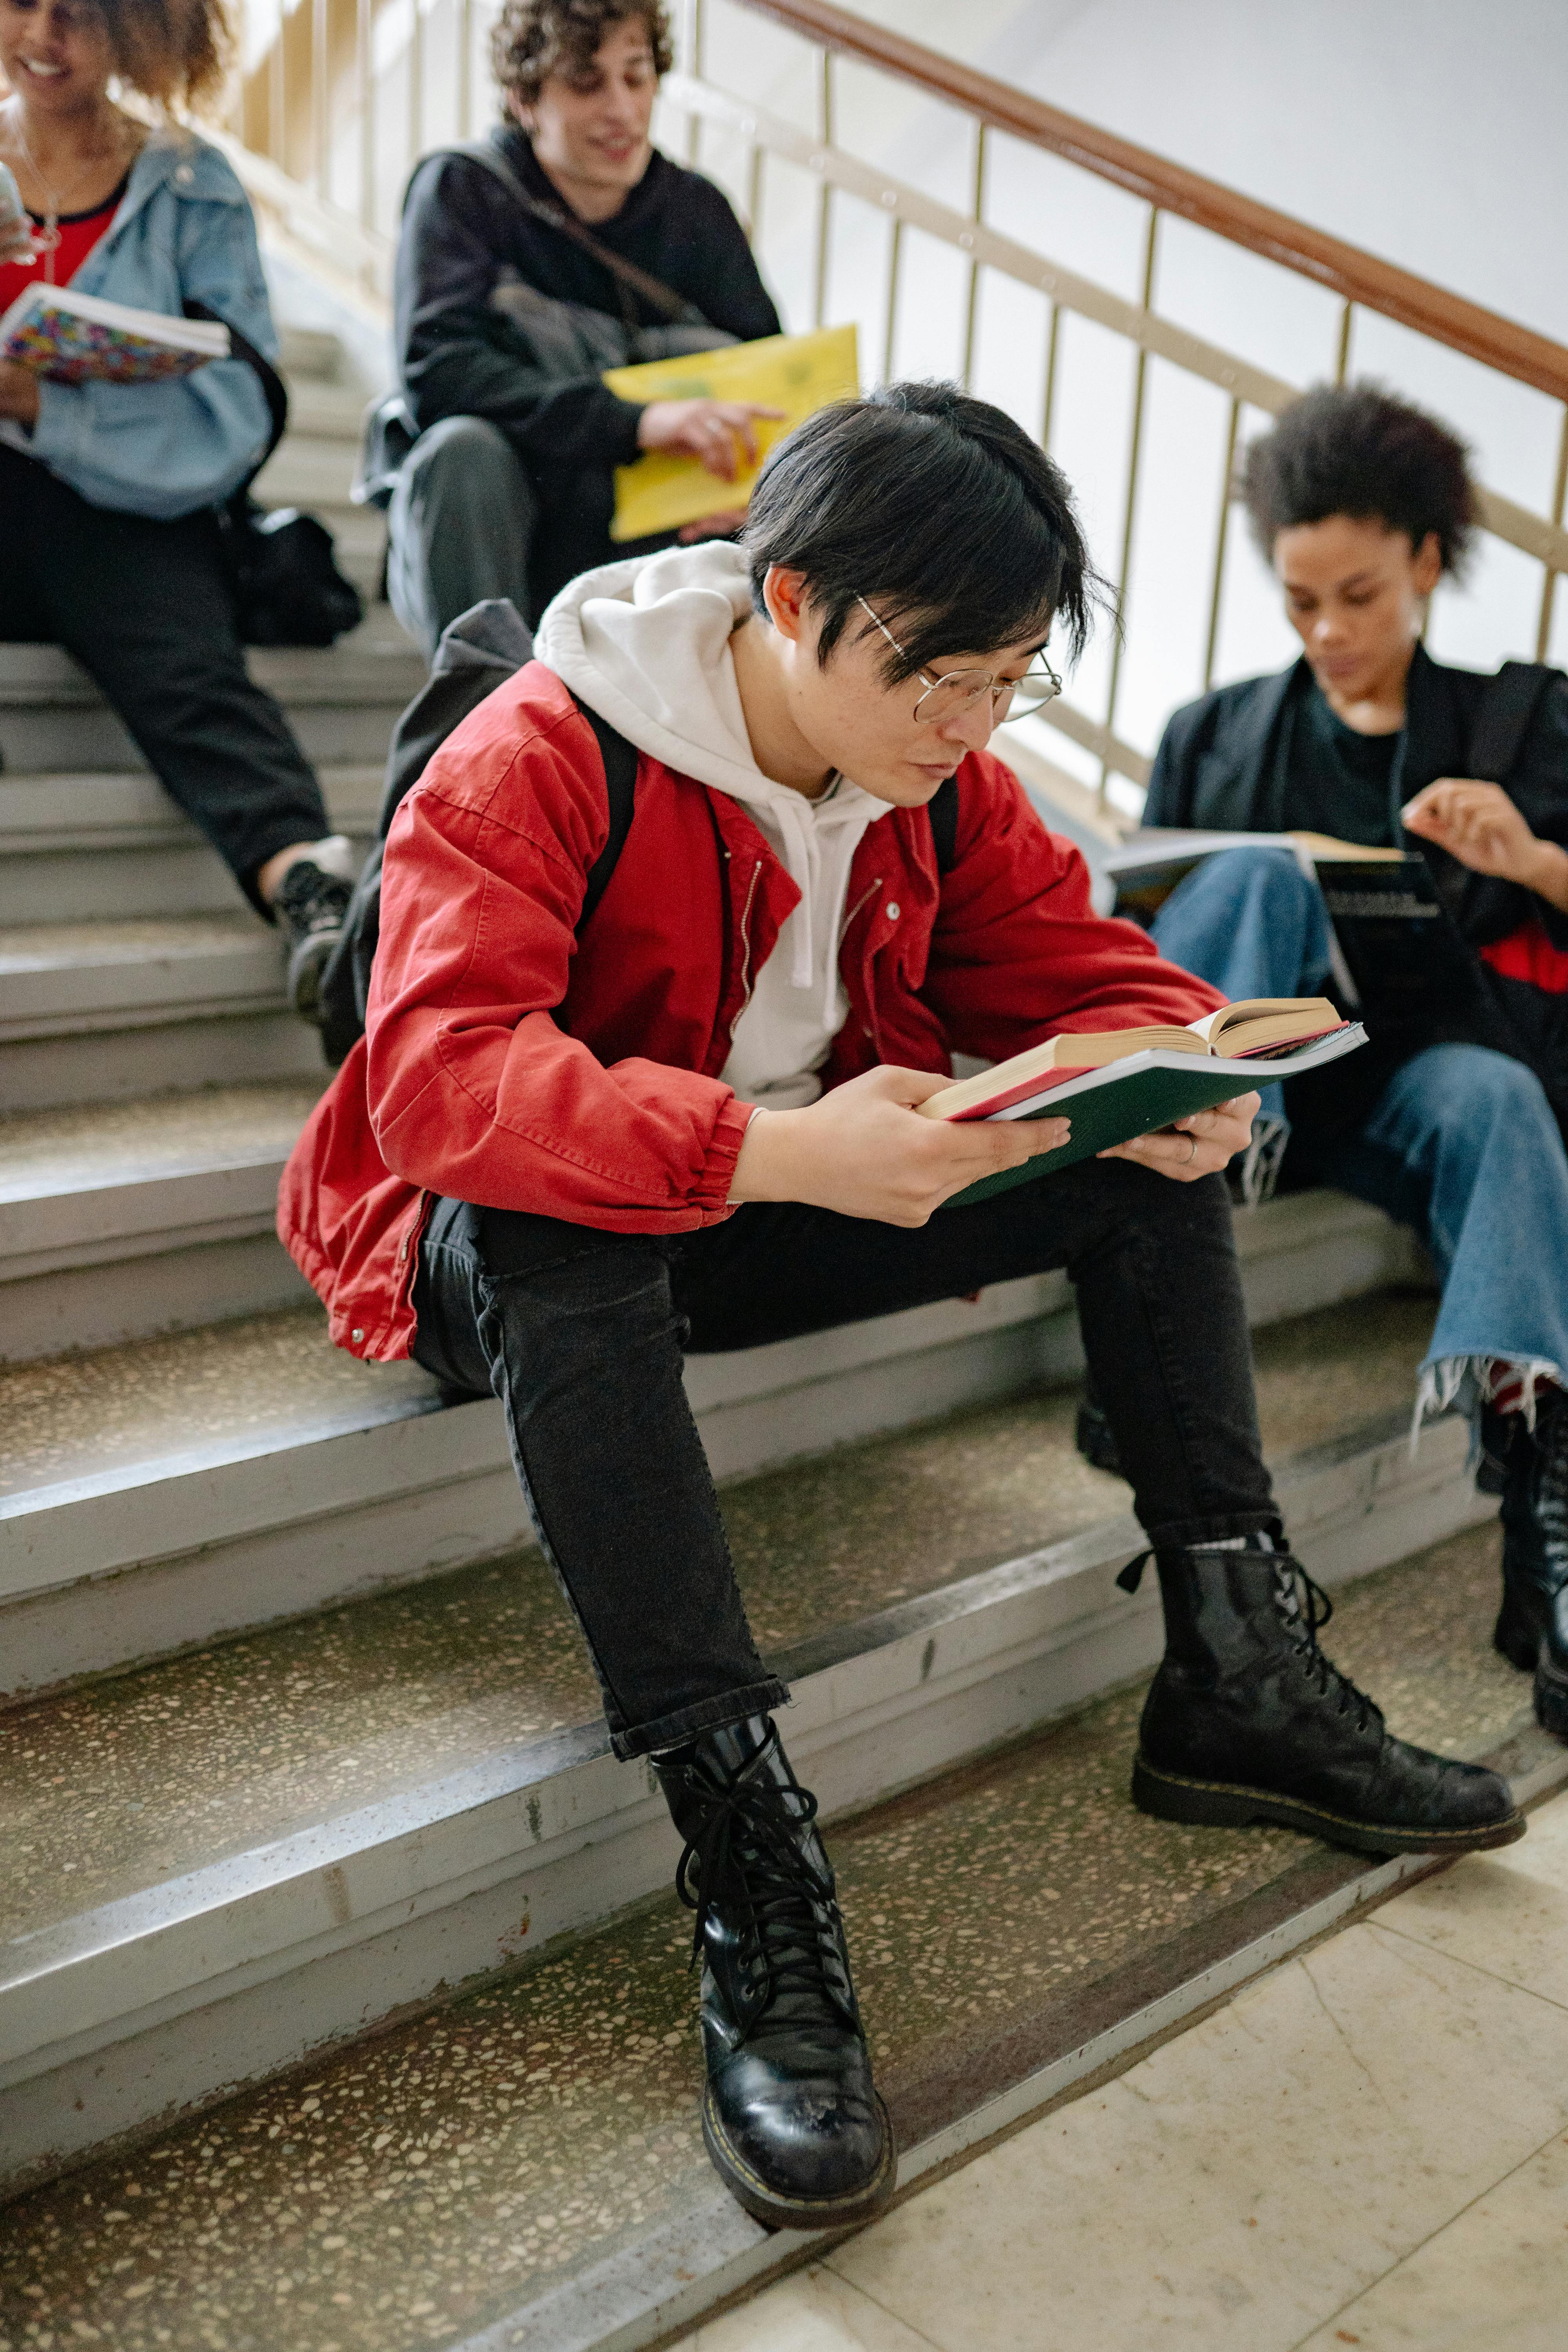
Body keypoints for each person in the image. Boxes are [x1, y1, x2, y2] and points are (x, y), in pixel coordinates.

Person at [279, 385, 1521, 2233]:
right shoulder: (545, 745)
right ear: (787, 603)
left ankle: (1232, 1663)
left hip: (779, 1175)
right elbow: (443, 1088)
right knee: (565, 1250)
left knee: (1132, 1151)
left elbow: (1055, 944)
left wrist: (1172, 1051)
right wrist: (771, 1155)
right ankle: (749, 1855)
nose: (966, 723)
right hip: (512, 1222)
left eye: (1004, 679)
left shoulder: (936, 773)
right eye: (937, 677)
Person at [1133, 381, 1568, 1744]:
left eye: (1359, 597)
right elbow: (1132, 948)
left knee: (1500, 1100)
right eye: (1301, 600)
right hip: (1234, 1093)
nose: (1328, 633)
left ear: (1430, 564)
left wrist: (1534, 859)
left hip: (1402, 1083)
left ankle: (1545, 1489)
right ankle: (1154, 1302)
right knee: (1260, 882)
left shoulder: (1525, 728)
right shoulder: (1211, 735)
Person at [0, 0, 358, 1018]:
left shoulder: (194, 186)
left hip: (124, 515)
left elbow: (236, 417)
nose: (45, 36)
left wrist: (45, 409)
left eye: (82, 15)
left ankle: (309, 886)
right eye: (25, 2)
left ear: (141, 29)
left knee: (183, 669)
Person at [386, 0, 782, 656]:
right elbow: (439, 372)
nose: (622, 110)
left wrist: (757, 496)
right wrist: (638, 421)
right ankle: (486, 721)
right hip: (517, 510)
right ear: (524, 98)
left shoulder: (698, 212)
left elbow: (772, 379)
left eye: (636, 76)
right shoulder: (464, 190)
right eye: (586, 83)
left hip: (660, 529)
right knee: (461, 449)